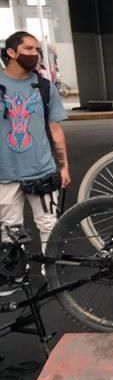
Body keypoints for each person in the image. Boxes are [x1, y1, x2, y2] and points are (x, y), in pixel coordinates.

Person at [0, 31, 70, 254]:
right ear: (11, 52)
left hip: (42, 170)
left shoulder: (45, 87)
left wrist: (64, 166)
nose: (35, 54)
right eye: (29, 49)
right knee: (9, 229)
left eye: (37, 50)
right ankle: (16, 274)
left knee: (50, 226)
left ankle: (52, 275)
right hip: (4, 174)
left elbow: (55, 129)